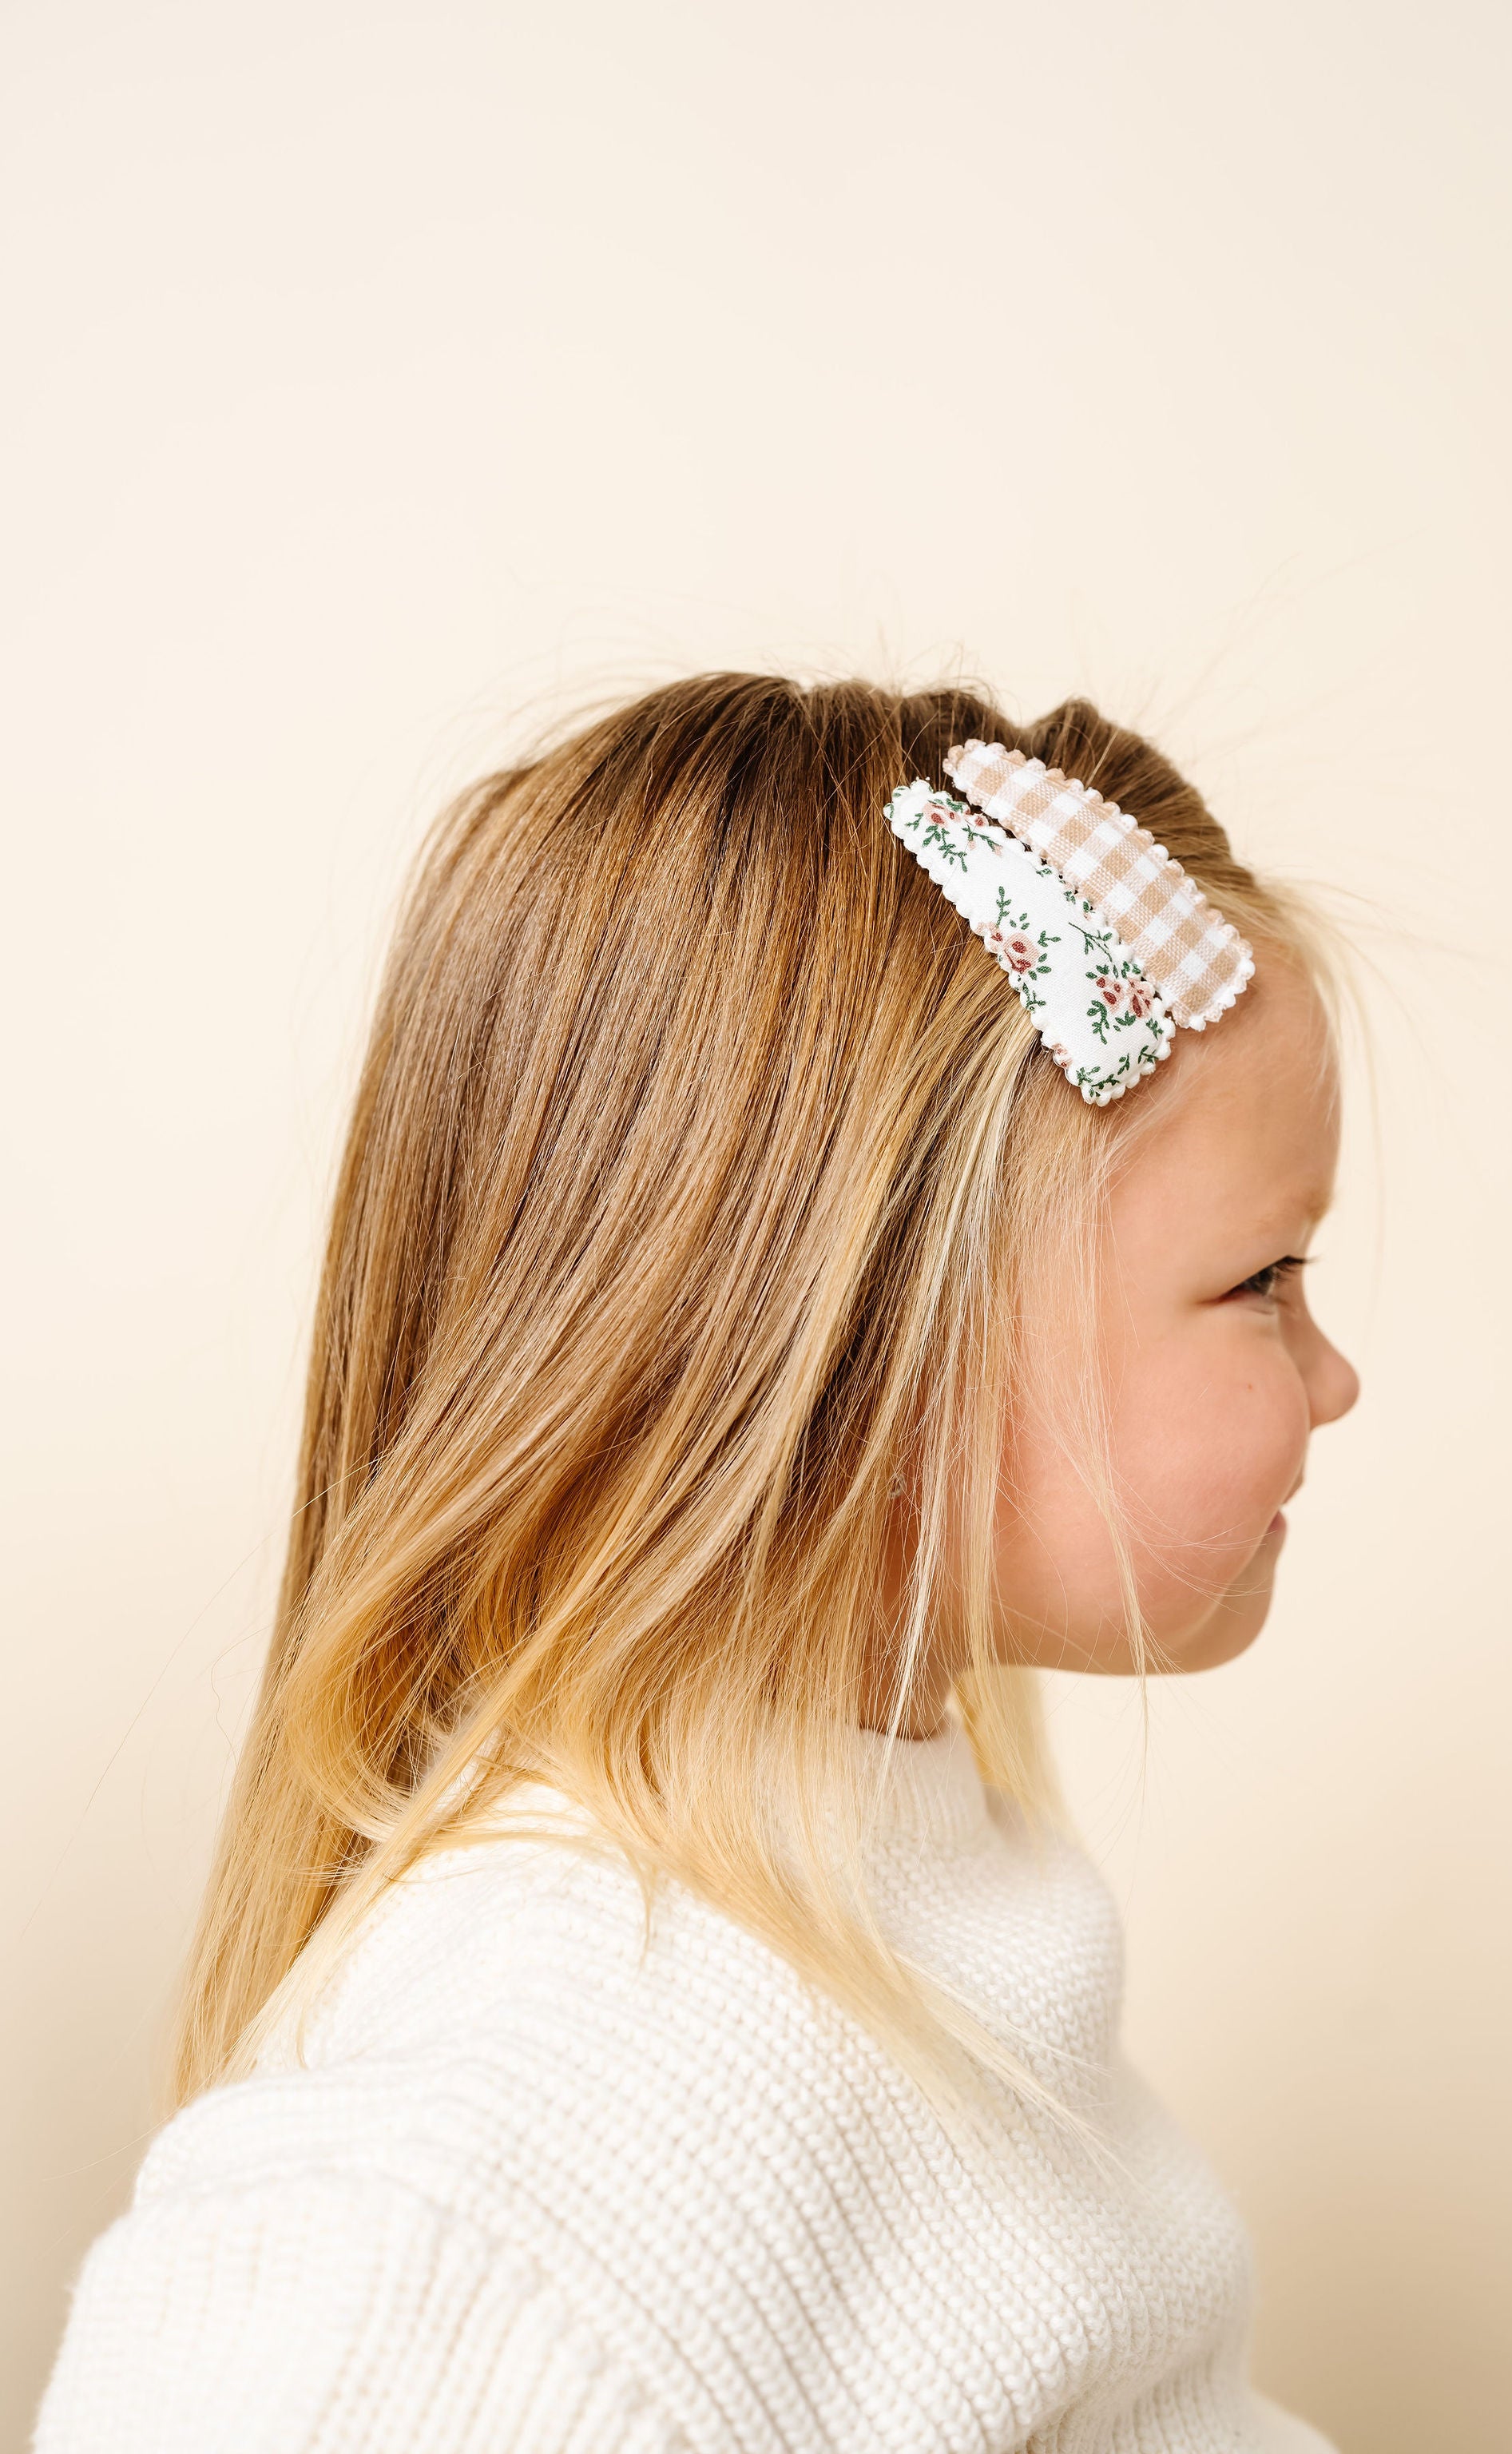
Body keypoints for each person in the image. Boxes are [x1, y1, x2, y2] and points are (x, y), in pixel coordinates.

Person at [34, 674, 1360, 2452]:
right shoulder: (497, 2180)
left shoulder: (906, 1880)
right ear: (874, 1347)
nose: (1331, 1375)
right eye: (1260, 1282)